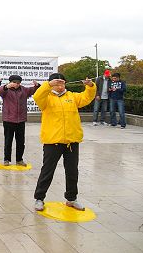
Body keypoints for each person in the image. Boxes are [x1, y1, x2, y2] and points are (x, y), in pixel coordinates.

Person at [33, 73, 96, 212]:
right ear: (51, 84)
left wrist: (90, 86)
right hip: (52, 141)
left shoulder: (72, 96)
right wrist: (48, 85)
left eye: (62, 83)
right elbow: (37, 96)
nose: (60, 86)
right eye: (57, 83)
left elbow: (87, 97)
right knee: (47, 170)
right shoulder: (46, 98)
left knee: (72, 171)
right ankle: (39, 198)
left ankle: (71, 199)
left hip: (71, 140)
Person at [0, 75, 40, 166]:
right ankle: (6, 159)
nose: (16, 84)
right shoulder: (5, 90)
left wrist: (37, 85)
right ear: (10, 82)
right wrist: (6, 86)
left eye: (18, 82)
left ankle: (19, 160)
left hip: (21, 120)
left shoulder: (24, 90)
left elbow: (34, 90)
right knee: (8, 141)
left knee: (21, 141)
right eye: (14, 82)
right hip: (8, 119)